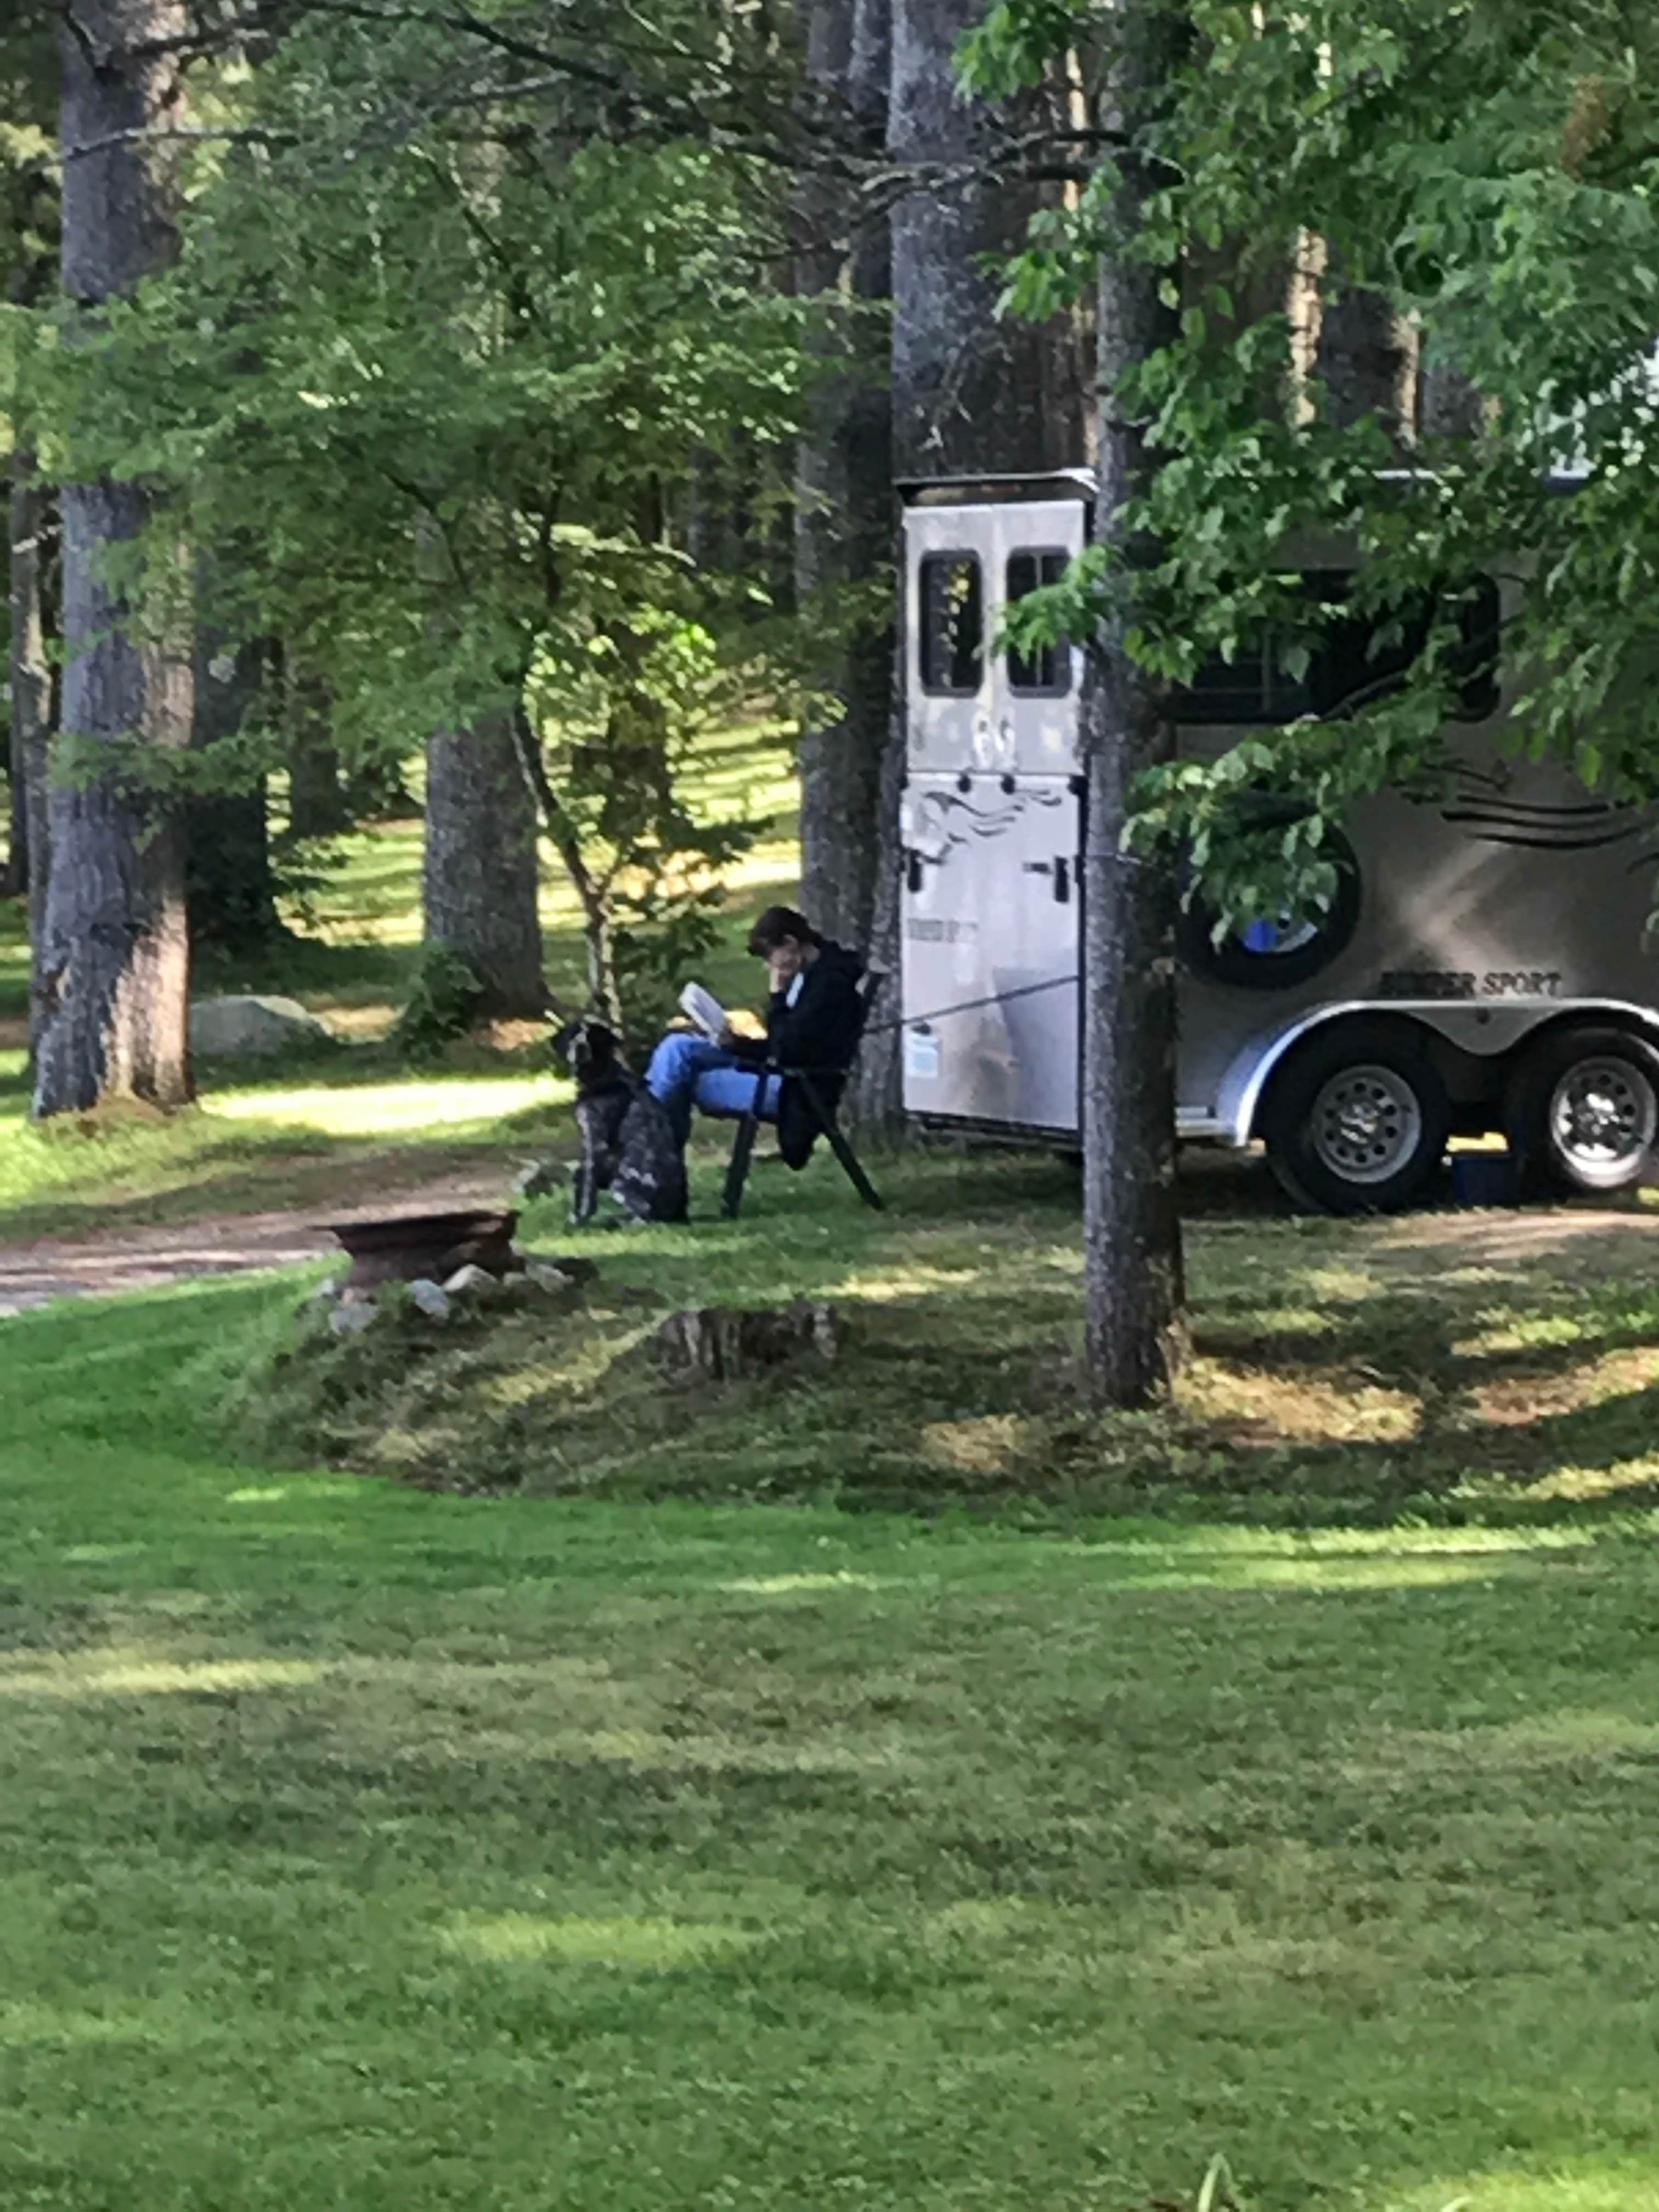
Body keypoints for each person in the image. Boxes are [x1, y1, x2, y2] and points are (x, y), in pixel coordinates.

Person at [644, 906, 866, 1167]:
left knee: (679, 1078)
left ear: (791, 943)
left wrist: (777, 997)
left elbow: (785, 1050)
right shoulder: (813, 973)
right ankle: (655, 1157)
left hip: (794, 1089)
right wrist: (737, 1044)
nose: (770, 967)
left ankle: (652, 1159)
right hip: (781, 1071)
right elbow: (785, 1043)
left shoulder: (827, 986)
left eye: (770, 956)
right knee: (678, 1047)